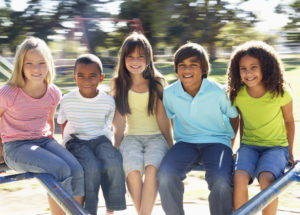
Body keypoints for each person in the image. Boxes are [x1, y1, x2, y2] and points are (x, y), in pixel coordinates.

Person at [0, 37, 84, 215]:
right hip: (15, 147)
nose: (36, 69)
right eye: (29, 63)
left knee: (76, 169)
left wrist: (53, 148)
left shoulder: (53, 92)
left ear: (49, 64)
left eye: (41, 63)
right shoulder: (8, 93)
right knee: (60, 169)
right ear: (20, 65)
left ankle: (74, 211)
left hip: (44, 141)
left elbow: (49, 121)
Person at [157, 42, 239, 215]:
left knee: (221, 180)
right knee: (165, 174)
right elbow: (170, 116)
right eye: (182, 65)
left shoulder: (218, 92)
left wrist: (229, 143)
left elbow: (233, 116)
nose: (187, 70)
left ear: (203, 69)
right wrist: (177, 139)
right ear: (176, 69)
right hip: (185, 143)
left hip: (217, 142)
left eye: (193, 65)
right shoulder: (170, 93)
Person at [227, 41, 295, 215]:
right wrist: (231, 147)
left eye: (253, 67)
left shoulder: (281, 92)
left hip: (276, 147)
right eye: (243, 68)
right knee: (239, 177)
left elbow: (289, 122)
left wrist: (290, 152)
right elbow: (237, 121)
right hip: (249, 146)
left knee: (267, 179)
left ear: (266, 67)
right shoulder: (238, 94)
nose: (248, 73)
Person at [111, 32, 173, 215]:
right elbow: (119, 121)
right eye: (130, 56)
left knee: (152, 168)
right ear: (123, 59)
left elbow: (163, 117)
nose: (135, 61)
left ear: (148, 58)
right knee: (132, 169)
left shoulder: (157, 82)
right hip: (131, 137)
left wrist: (170, 143)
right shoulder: (118, 83)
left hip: (156, 137)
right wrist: (116, 145)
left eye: (140, 56)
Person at [57, 53, 126, 215]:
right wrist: (66, 144)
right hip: (76, 141)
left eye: (92, 76)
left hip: (100, 139)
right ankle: (90, 211)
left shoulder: (108, 101)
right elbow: (63, 123)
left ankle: (111, 210)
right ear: (74, 77)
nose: (86, 80)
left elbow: (107, 125)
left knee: (115, 162)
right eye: (81, 76)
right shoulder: (67, 100)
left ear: (101, 77)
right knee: (91, 167)